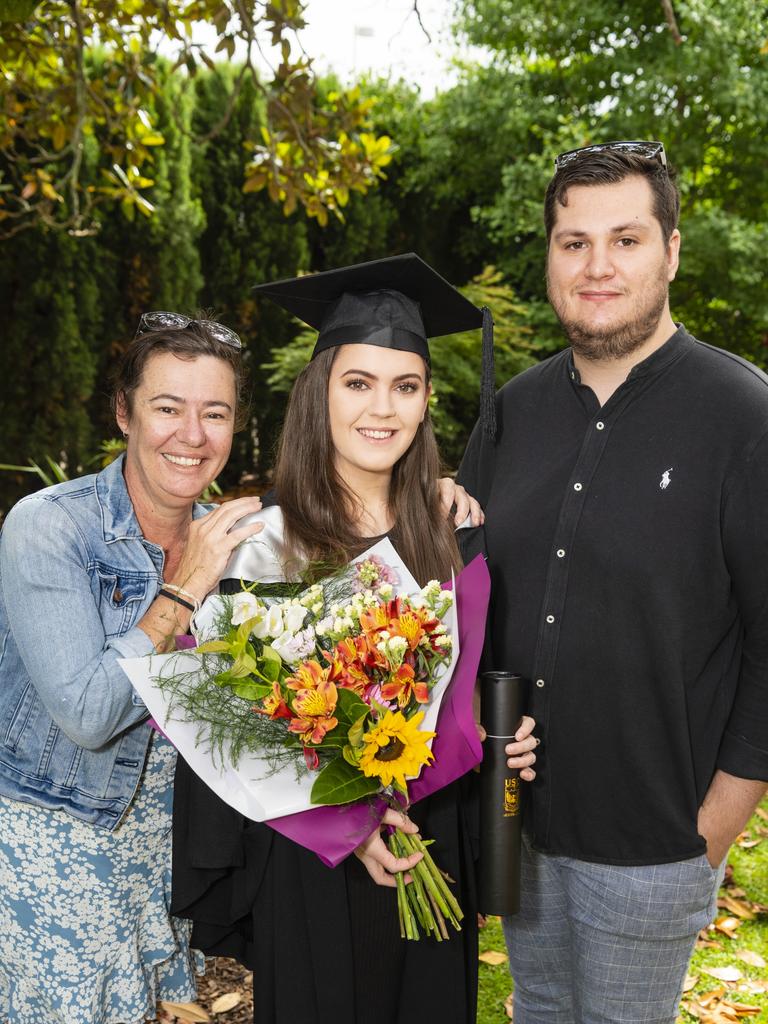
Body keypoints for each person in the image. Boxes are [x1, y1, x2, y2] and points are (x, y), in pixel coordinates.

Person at [170, 254, 539, 1024]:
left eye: (405, 387)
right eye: (358, 383)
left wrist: (497, 735)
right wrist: (349, 823)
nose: (383, 409)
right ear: (319, 393)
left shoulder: (453, 537)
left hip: (426, 844)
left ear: (427, 400)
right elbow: (227, 726)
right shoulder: (257, 541)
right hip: (310, 866)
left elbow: (467, 692)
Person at [457, 141, 768, 1023]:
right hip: (518, 819)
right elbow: (466, 603)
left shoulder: (744, 418)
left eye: (626, 240)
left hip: (655, 841)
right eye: (574, 243)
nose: (597, 267)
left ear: (671, 251)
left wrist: (709, 831)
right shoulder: (509, 414)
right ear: (549, 257)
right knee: (539, 1011)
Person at [0, 313, 266, 1024]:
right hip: (57, 842)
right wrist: (182, 592)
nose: (192, 435)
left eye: (215, 413)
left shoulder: (229, 542)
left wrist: (438, 497)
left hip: (167, 850)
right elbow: (86, 715)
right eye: (167, 408)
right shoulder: (50, 526)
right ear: (124, 412)